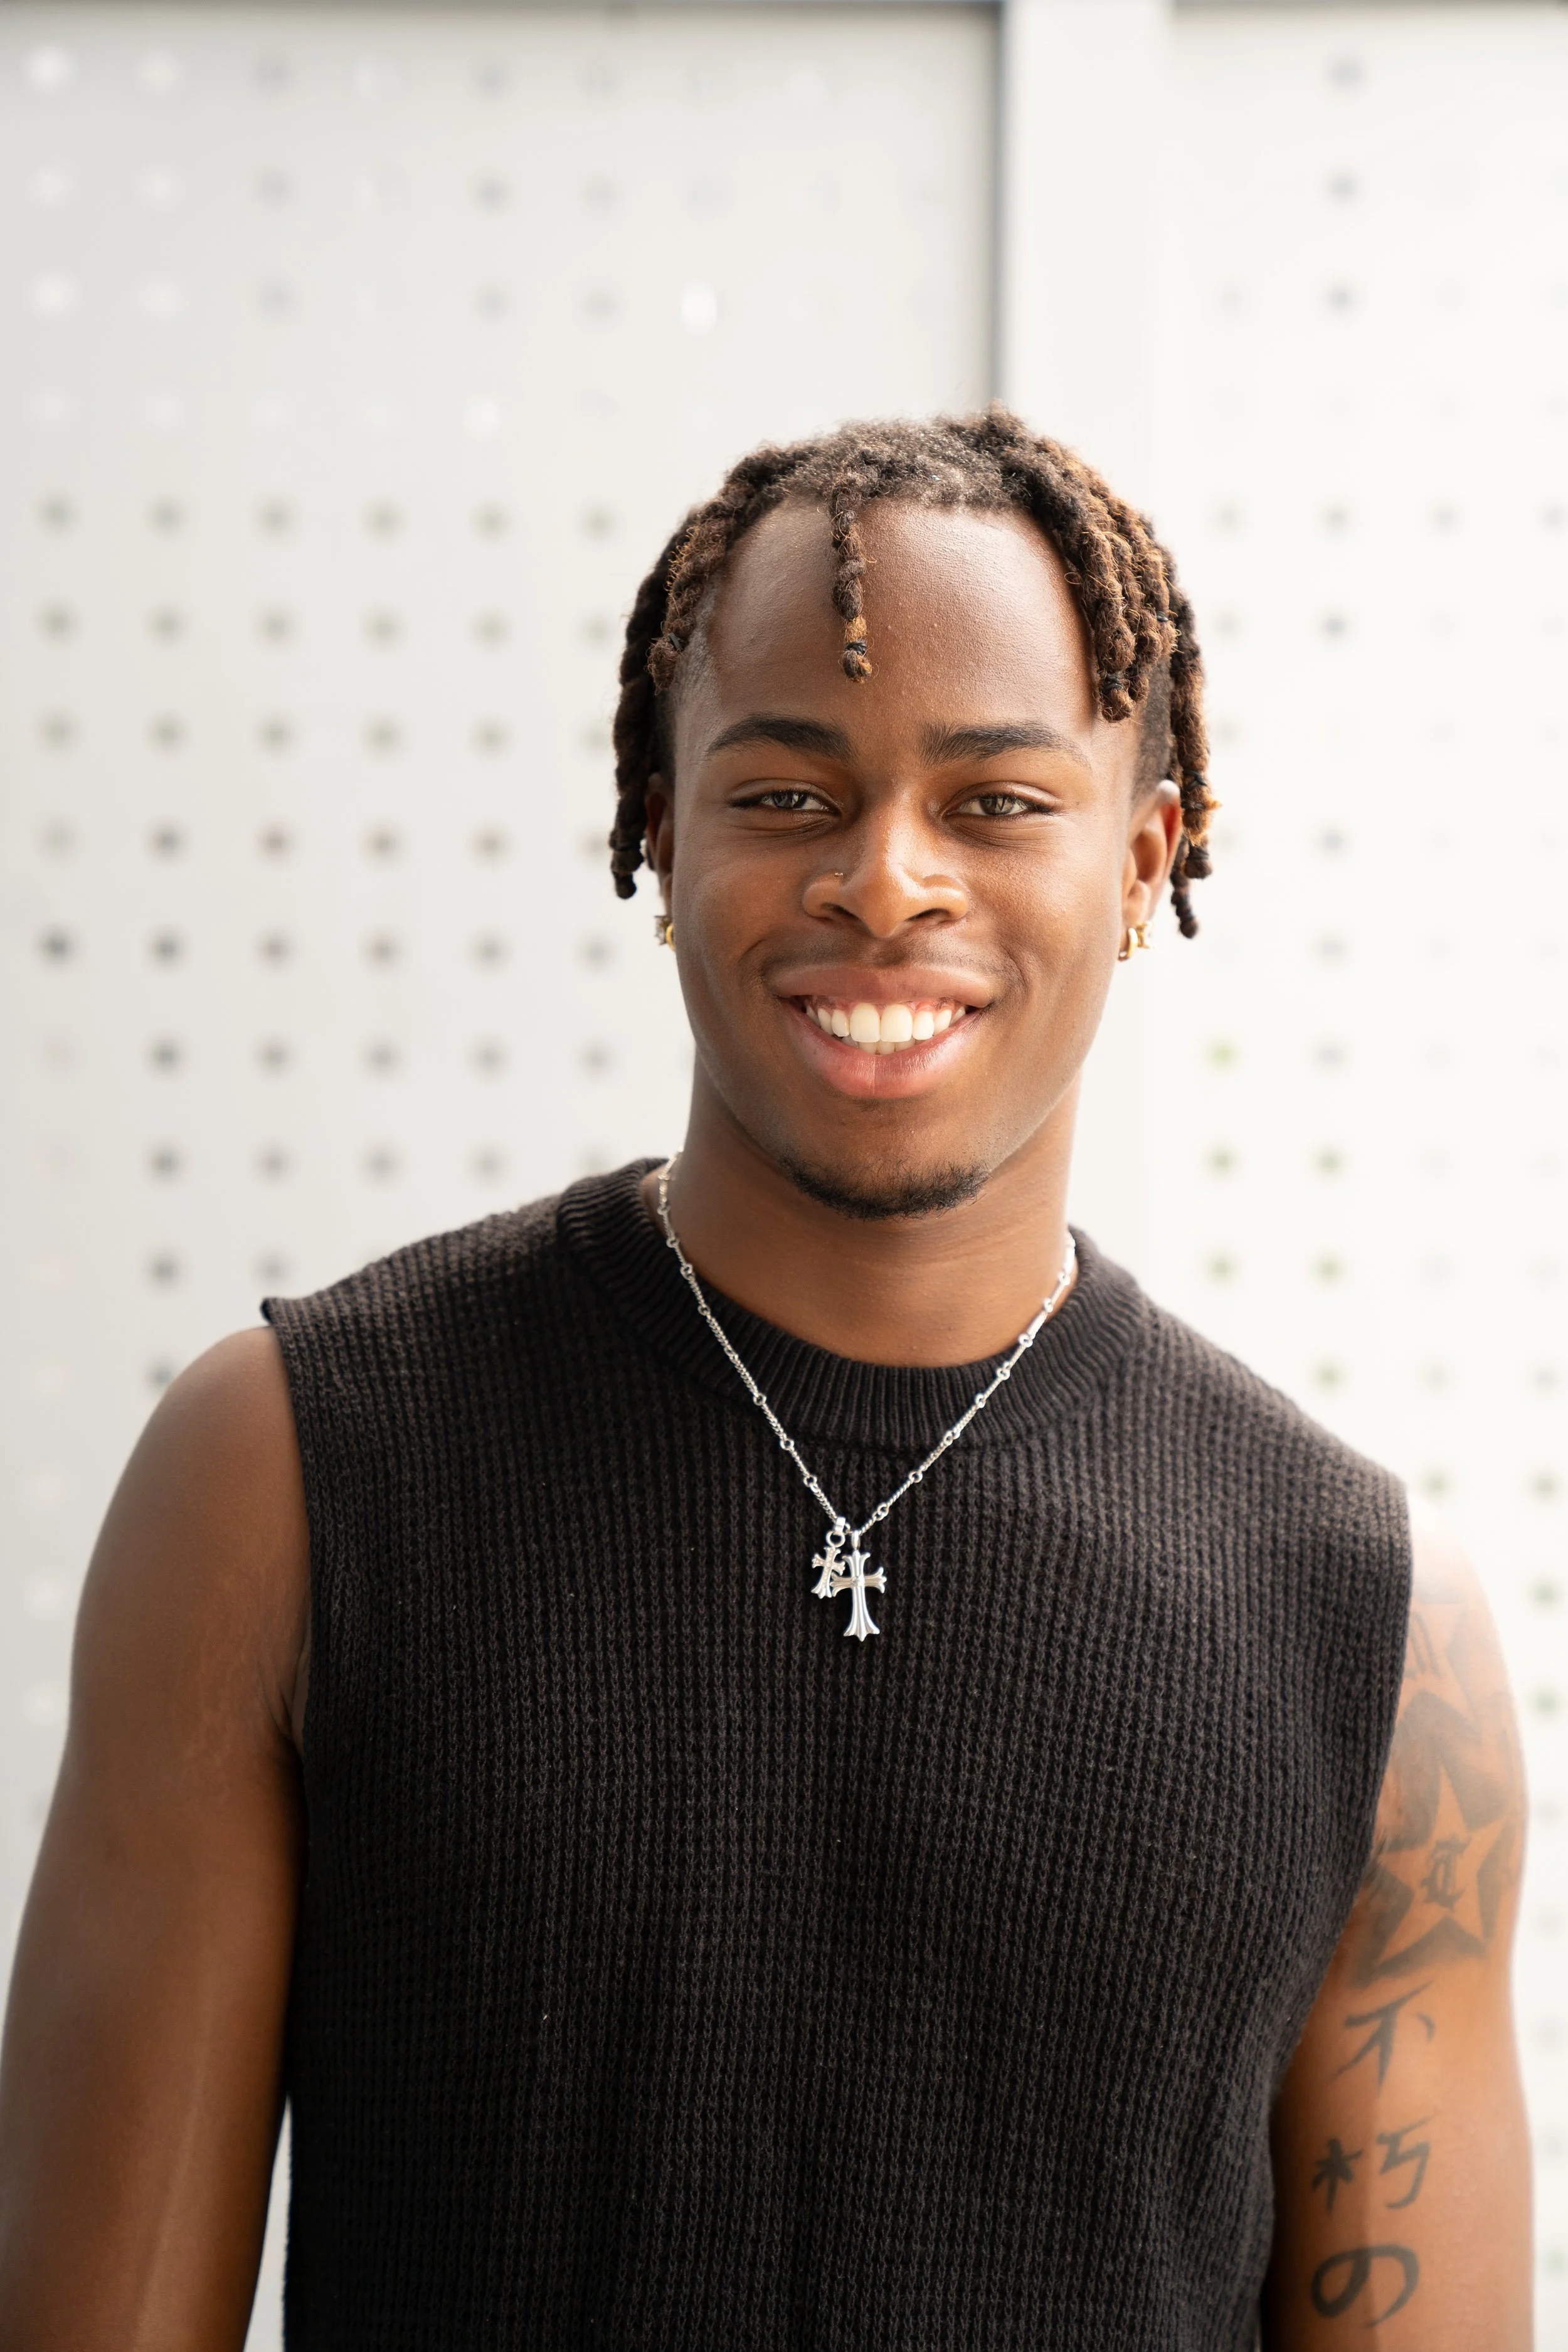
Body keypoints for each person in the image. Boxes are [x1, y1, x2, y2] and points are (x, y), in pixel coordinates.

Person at [0, 411, 1530, 2349]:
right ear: (658, 822)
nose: (886, 884)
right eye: (789, 795)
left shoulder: (1377, 1631)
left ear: (1144, 856)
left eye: (996, 803)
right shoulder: (293, 1472)